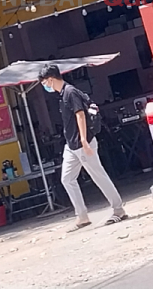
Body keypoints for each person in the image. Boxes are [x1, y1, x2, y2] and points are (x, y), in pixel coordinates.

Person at [38, 63, 126, 231]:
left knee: (98, 176)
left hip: (81, 143)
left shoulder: (70, 92)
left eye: (44, 83)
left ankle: (118, 209)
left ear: (50, 79)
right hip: (71, 145)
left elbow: (80, 115)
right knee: (67, 179)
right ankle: (82, 216)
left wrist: (84, 141)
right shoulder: (63, 94)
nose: (45, 86)